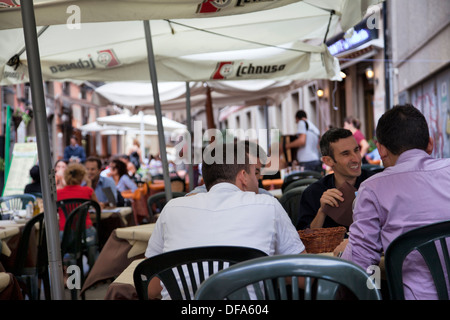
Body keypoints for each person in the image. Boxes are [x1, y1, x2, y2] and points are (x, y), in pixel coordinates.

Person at [145, 140, 306, 299]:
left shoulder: (171, 209)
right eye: (254, 174)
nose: (258, 181)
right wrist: (265, 269)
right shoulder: (268, 205)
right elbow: (303, 277)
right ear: (243, 176)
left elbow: (150, 288)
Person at [335, 104, 450, 300]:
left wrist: (345, 252)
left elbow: (359, 268)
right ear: (430, 144)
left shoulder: (373, 188)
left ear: (381, 150)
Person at [296, 128, 374, 230]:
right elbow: (305, 241)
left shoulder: (375, 183)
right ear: (328, 161)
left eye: (356, 150)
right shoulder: (313, 193)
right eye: (346, 154)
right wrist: (322, 212)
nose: (356, 159)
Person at [57, 163, 99, 269]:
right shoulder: (87, 190)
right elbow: (98, 208)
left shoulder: (58, 193)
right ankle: (93, 271)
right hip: (86, 232)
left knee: (64, 246)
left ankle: (69, 274)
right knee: (95, 238)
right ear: (82, 177)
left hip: (65, 234)